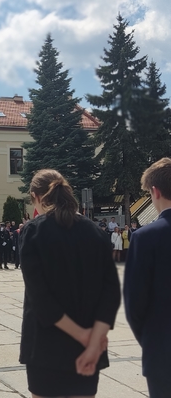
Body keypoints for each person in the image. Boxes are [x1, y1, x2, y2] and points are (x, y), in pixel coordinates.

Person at [19, 169, 120, 398]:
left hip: (45, 345)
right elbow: (111, 292)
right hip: (88, 345)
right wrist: (92, 340)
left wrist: (83, 336)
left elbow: (40, 298)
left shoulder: (33, 231)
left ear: (35, 196)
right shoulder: (95, 231)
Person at [124, 157, 171, 397]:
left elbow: (135, 304)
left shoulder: (145, 237)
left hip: (163, 352)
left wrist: (151, 342)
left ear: (155, 191)